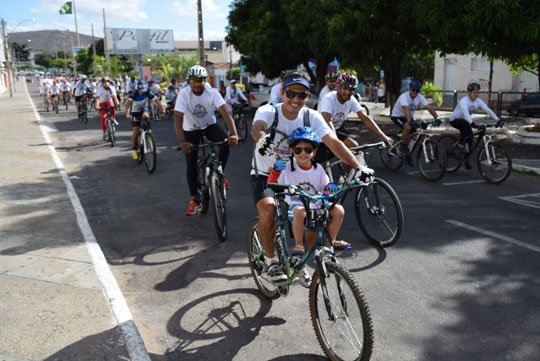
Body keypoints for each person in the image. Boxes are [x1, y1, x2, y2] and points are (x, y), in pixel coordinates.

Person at [251, 70, 374, 283]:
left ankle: (299, 261)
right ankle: (271, 262)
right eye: (291, 93)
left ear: (308, 97)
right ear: (282, 93)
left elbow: (333, 142)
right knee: (269, 210)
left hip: (299, 175)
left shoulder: (311, 116)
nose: (296, 99)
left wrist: (358, 167)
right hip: (268, 175)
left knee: (314, 214)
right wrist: (262, 140)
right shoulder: (269, 111)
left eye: (302, 95)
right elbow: (257, 128)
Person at [267, 126, 344, 286]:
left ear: (314, 152)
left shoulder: (318, 169)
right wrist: (275, 170)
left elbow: (325, 187)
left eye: (308, 149)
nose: (303, 153)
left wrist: (330, 188)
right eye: (298, 149)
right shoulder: (286, 166)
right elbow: (272, 182)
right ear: (292, 150)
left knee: (338, 210)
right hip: (294, 205)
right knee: (301, 211)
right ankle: (299, 245)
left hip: (315, 203)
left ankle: (330, 245)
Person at [174, 65, 239, 216]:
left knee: (224, 144)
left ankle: (220, 174)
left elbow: (225, 113)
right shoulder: (184, 94)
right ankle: (194, 201)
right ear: (189, 81)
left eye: (200, 81)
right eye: (193, 81)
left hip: (209, 125)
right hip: (191, 129)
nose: (197, 84)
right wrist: (183, 141)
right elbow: (178, 118)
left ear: (205, 81)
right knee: (191, 161)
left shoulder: (212, 92)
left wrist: (234, 134)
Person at [317, 72, 393, 170]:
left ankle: (343, 180)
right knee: (322, 168)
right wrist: (337, 144)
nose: (348, 92)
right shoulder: (328, 99)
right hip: (321, 132)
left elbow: (364, 118)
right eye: (345, 88)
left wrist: (383, 136)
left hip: (336, 129)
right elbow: (328, 121)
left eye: (351, 89)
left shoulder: (351, 99)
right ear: (338, 87)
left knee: (354, 148)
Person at [449, 82, 500, 169]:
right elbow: (465, 113)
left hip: (465, 121)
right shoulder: (464, 101)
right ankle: (461, 144)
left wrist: (498, 120)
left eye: (477, 92)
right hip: (455, 120)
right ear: (469, 93)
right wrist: (472, 123)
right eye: (474, 92)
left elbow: (487, 110)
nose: (476, 94)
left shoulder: (478, 101)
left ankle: (465, 160)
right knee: (466, 127)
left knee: (470, 140)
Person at [391, 80, 439, 153]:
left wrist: (437, 118)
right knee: (407, 127)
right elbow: (406, 109)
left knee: (416, 135)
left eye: (417, 90)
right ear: (410, 89)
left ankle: (408, 153)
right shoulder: (404, 97)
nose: (415, 92)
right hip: (397, 116)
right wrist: (409, 122)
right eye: (413, 90)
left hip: (409, 117)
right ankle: (403, 146)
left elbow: (429, 107)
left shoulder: (419, 97)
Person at [126, 82, 164, 159]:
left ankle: (148, 133)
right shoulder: (134, 94)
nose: (142, 92)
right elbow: (128, 104)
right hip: (135, 112)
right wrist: (127, 114)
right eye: (141, 90)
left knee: (146, 116)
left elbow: (158, 103)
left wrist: (161, 112)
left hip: (144, 110)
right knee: (136, 130)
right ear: (138, 89)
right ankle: (134, 149)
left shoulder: (148, 93)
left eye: (144, 90)